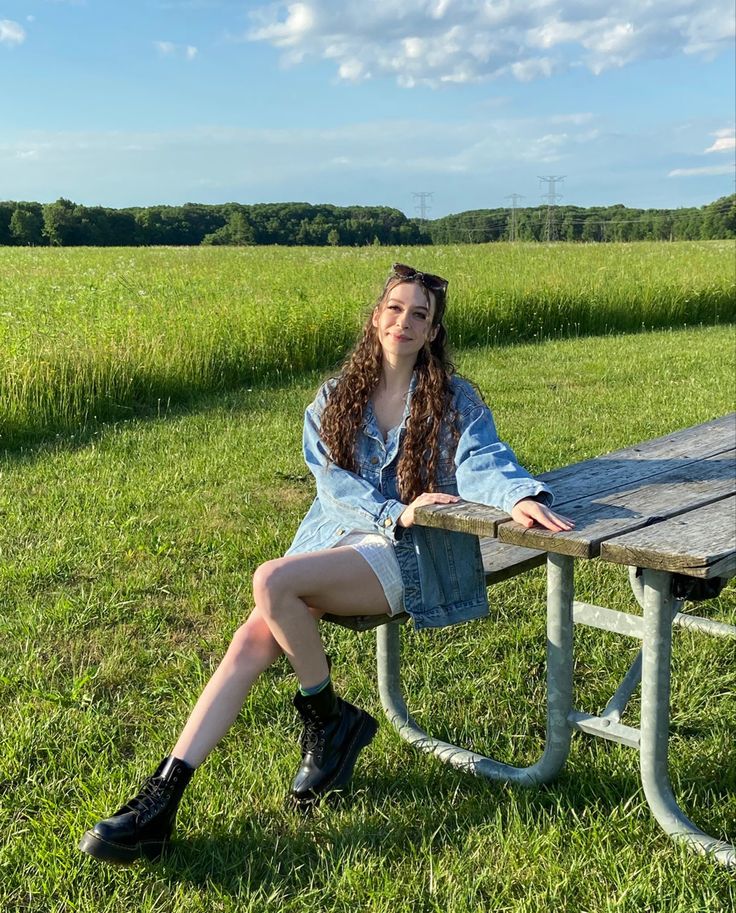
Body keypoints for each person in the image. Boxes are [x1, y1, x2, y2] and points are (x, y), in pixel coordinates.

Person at [78, 262, 573, 866]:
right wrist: (395, 507)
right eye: (396, 308)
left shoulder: (453, 397)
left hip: (405, 553)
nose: (405, 321)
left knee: (271, 582)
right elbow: (334, 485)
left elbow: (483, 459)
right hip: (338, 537)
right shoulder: (334, 398)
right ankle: (161, 798)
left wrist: (517, 495)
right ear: (376, 317)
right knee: (253, 636)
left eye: (420, 314)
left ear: (433, 331)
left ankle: (328, 719)